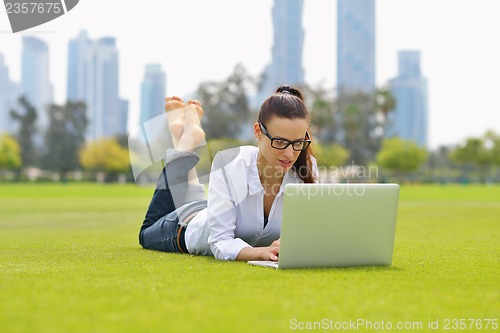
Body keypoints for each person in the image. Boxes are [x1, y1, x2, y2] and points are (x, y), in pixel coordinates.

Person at [139, 85, 318, 261]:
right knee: (146, 233)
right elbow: (220, 241)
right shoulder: (231, 163)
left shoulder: (307, 168)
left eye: (298, 143)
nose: (290, 153)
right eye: (279, 142)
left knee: (203, 205)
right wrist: (263, 252)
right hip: (186, 226)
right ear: (258, 131)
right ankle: (185, 143)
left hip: (212, 210)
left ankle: (182, 136)